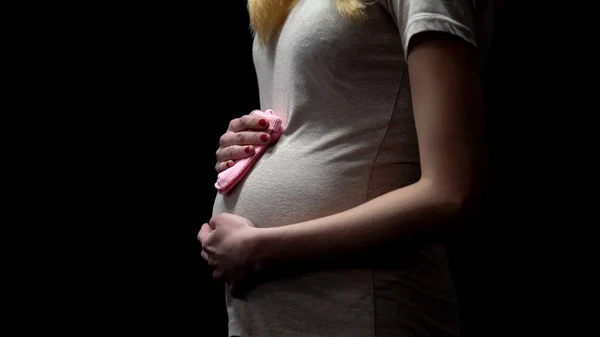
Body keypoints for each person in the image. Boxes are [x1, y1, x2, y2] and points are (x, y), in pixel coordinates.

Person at [199, 0, 493, 336]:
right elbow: (317, 114)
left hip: (363, 303)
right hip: (263, 306)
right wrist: (246, 139)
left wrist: (263, 250)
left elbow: (452, 192)